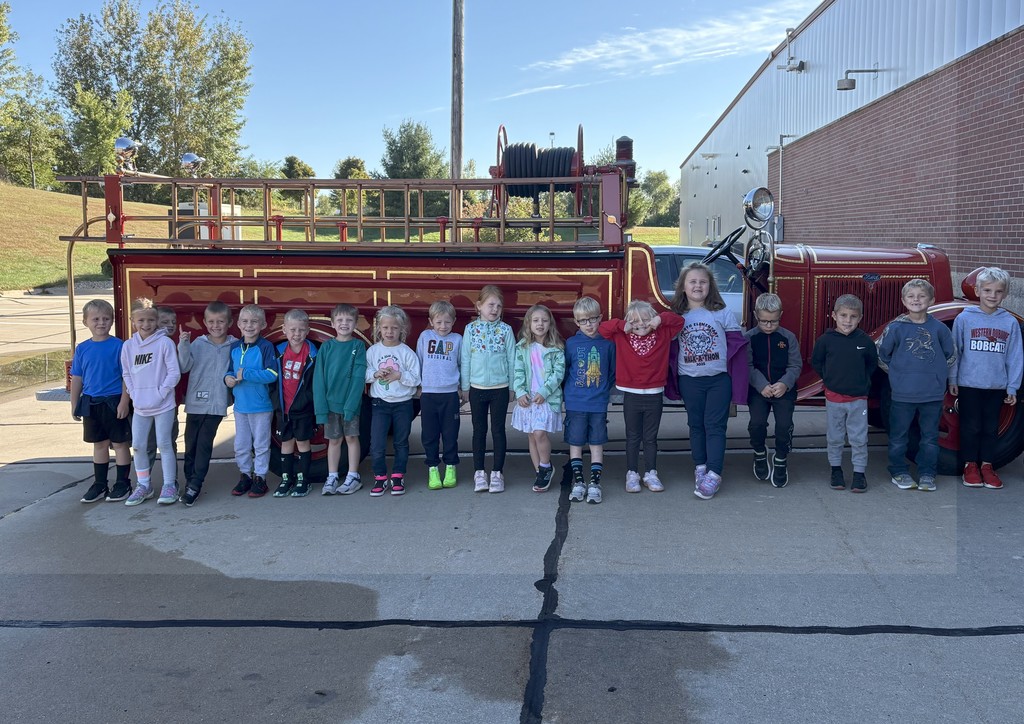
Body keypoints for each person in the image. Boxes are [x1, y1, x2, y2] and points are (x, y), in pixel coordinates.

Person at [670, 262, 747, 500]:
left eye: (703, 282)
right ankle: (700, 467)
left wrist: (738, 381)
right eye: (692, 281)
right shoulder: (677, 316)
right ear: (683, 286)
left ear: (710, 286)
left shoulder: (721, 313)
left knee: (715, 427)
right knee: (696, 425)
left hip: (718, 380)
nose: (697, 286)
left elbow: (737, 347)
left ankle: (714, 473)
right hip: (689, 380)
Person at [877, 279, 957, 492]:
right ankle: (898, 471)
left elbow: (951, 355)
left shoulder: (939, 328)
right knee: (898, 436)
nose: (916, 300)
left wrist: (937, 376)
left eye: (921, 296)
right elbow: (883, 355)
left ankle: (927, 473)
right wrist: (898, 375)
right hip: (903, 395)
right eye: (911, 296)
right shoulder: (896, 328)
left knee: (930, 438)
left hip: (932, 394)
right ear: (904, 300)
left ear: (931, 300)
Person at [599, 300, 684, 493]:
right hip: (631, 394)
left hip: (654, 393)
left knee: (650, 438)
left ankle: (651, 473)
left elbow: (679, 321)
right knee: (632, 437)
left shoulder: (663, 333)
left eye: (646, 319)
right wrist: (623, 325)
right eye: (635, 321)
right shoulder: (622, 335)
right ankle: (632, 473)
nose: (641, 324)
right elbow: (604, 328)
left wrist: (660, 319)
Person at [950, 267, 1023, 489]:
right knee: (971, 426)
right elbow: (956, 351)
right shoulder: (964, 318)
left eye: (998, 291)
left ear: (1005, 294)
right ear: (978, 291)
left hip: (996, 385)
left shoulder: (1009, 322)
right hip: (969, 383)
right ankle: (970, 466)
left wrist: (1012, 387)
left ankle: (987, 466)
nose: (992, 295)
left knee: (991, 428)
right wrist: (952, 379)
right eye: (988, 290)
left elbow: (1015, 356)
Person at [811, 294, 878, 493]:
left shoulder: (865, 341)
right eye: (843, 315)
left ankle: (859, 473)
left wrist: (861, 383)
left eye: (853, 316)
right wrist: (830, 380)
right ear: (834, 316)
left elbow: (871, 365)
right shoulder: (825, 341)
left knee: (859, 437)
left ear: (860, 318)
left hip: (858, 399)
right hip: (834, 398)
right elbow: (817, 362)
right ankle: (836, 470)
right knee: (835, 437)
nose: (847, 321)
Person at [71, 299, 132, 503]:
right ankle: (100, 483)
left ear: (112, 321)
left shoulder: (120, 346)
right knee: (99, 444)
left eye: (106, 319)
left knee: (120, 443)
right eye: (95, 319)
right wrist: (75, 404)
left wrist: (125, 401)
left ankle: (123, 483)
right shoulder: (82, 349)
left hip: (114, 401)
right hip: (91, 402)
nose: (101, 323)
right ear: (85, 322)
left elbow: (127, 377)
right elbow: (77, 378)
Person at [121, 298, 181, 506]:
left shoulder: (165, 343)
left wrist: (160, 393)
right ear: (133, 321)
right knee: (138, 446)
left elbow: (174, 373)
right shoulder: (128, 346)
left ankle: (169, 485)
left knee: (165, 444)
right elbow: (127, 373)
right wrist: (133, 394)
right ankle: (143, 485)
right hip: (140, 406)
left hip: (163, 404)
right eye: (141, 321)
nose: (146, 325)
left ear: (156, 321)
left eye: (150, 320)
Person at [176, 300, 236, 507]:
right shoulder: (197, 344)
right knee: (190, 443)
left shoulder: (235, 345)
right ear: (204, 322)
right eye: (211, 321)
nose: (216, 326)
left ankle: (196, 484)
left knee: (204, 444)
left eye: (220, 321)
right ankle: (189, 480)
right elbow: (184, 367)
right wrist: (183, 344)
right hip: (195, 402)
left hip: (217, 404)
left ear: (229, 322)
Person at [460, 285, 516, 494]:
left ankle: (497, 473)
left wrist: (512, 387)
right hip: (477, 388)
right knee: (479, 430)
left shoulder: (506, 330)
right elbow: (465, 358)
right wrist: (466, 387)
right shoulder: (471, 329)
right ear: (479, 306)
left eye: (499, 306)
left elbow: (512, 359)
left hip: (500, 388)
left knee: (498, 430)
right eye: (490, 305)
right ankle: (479, 472)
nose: (494, 310)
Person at [744, 292, 801, 488]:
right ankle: (759, 452)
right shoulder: (749, 338)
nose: (768, 326)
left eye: (773, 322)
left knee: (784, 426)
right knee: (757, 424)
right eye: (764, 321)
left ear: (780, 315)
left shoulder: (788, 337)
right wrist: (761, 385)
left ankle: (781, 458)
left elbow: (795, 366)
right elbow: (748, 366)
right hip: (758, 391)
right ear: (755, 315)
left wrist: (785, 383)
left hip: (783, 390)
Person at [563, 297, 615, 504]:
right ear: (576, 322)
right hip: (576, 402)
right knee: (575, 442)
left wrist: (601, 391)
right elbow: (566, 370)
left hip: (598, 403)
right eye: (584, 321)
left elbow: (612, 372)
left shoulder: (608, 344)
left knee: (596, 443)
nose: (589, 324)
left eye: (593, 319)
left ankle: (595, 483)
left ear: (600, 318)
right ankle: (578, 482)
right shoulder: (571, 343)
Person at [365, 305, 421, 496]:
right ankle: (380, 477)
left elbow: (416, 378)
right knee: (377, 444)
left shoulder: (406, 352)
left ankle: (398, 476)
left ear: (402, 329)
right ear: (379, 328)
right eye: (386, 327)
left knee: (401, 442)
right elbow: (363, 374)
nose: (390, 331)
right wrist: (375, 373)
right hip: (379, 404)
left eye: (394, 328)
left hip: (403, 404)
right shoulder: (373, 351)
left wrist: (399, 375)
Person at [511, 304, 566, 493]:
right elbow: (517, 372)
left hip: (545, 398)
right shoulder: (522, 348)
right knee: (531, 435)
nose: (540, 324)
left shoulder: (556, 349)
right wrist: (519, 392)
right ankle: (540, 471)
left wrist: (544, 391)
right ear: (529, 324)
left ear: (550, 324)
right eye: (535, 320)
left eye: (544, 320)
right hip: (528, 397)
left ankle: (545, 466)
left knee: (540, 433)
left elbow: (558, 374)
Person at [225, 304, 278, 498]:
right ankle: (245, 475)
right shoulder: (234, 348)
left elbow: (272, 374)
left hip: (261, 406)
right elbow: (230, 370)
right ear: (238, 324)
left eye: (254, 322)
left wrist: (247, 374)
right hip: (241, 406)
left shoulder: (265, 347)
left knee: (261, 444)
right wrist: (228, 378)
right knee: (241, 444)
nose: (249, 326)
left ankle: (260, 477)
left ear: (263, 324)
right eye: (245, 321)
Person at [314, 304, 367, 495]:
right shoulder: (327, 347)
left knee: (352, 438)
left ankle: (353, 476)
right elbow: (319, 379)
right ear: (333, 323)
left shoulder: (358, 346)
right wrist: (321, 408)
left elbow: (358, 377)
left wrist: (351, 406)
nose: (344, 324)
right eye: (340, 320)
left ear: (356, 323)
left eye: (349, 320)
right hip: (330, 404)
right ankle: (333, 475)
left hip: (349, 404)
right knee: (334, 441)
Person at [416, 300, 463, 490]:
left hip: (450, 394)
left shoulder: (458, 339)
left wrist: (462, 386)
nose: (443, 326)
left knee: (450, 433)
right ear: (431, 321)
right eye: (438, 322)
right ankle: (433, 468)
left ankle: (450, 467)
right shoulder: (425, 337)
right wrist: (418, 385)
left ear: (453, 321)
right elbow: (418, 360)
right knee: (429, 434)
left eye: (447, 322)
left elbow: (462, 364)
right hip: (428, 394)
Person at [272, 309, 318, 498]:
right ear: (284, 330)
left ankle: (302, 480)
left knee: (303, 442)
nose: (296, 334)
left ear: (307, 331)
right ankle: (286, 479)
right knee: (286, 442)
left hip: (303, 408)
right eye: (292, 330)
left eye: (301, 330)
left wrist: (308, 402)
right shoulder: (279, 351)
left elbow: (314, 383)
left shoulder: (312, 354)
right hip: (284, 408)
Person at [146, 305, 182, 477]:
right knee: (147, 444)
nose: (170, 325)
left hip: (168, 402)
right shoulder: (144, 346)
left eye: (173, 322)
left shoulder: (173, 344)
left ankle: (171, 481)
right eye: (165, 321)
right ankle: (144, 482)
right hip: (146, 404)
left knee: (168, 442)